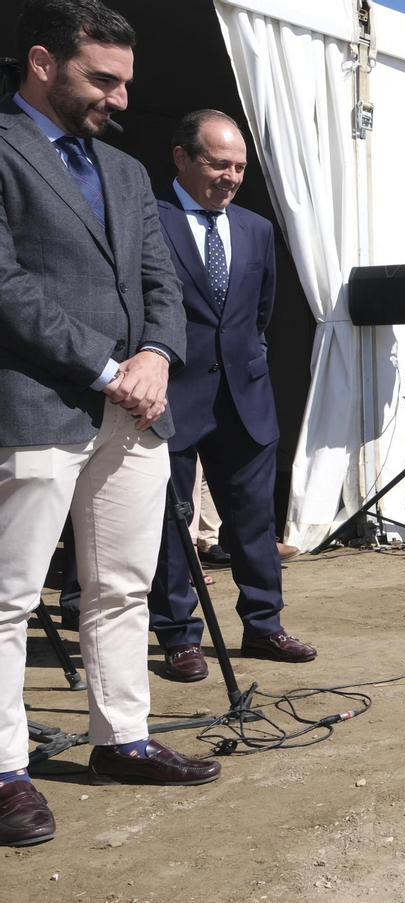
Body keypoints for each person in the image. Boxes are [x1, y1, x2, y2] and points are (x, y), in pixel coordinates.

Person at [0, 0, 220, 849]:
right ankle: (8, 770)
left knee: (124, 585)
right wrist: (105, 367)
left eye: (127, 82)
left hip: (135, 413)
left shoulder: (127, 172)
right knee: (11, 596)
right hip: (36, 402)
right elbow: (9, 286)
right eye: (104, 78)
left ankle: (121, 737)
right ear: (42, 63)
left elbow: (163, 282)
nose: (121, 99)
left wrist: (158, 357)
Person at [146, 109, 316, 682]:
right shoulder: (148, 218)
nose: (232, 177)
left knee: (251, 520)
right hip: (170, 395)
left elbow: (259, 314)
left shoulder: (256, 229)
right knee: (172, 523)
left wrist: (249, 364)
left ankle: (265, 625)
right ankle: (178, 636)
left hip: (245, 398)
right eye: (219, 164)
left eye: (240, 167)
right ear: (182, 158)